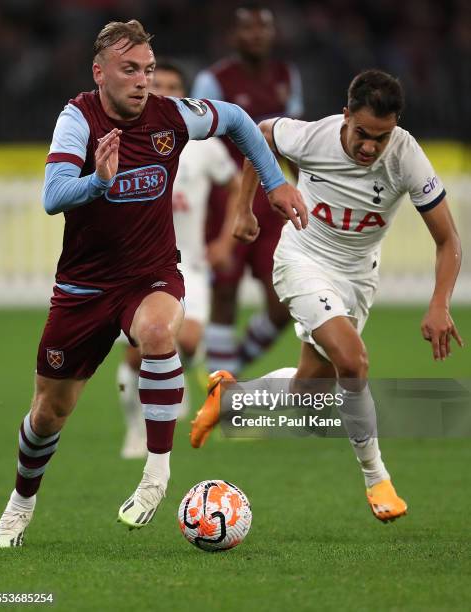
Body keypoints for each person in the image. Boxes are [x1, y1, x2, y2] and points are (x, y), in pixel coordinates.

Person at [0, 19, 306, 547]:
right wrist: (99, 181)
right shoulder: (77, 119)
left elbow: (238, 119)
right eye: (130, 70)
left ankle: (156, 476)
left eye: (150, 70)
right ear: (100, 73)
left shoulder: (172, 116)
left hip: (151, 275)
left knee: (162, 333)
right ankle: (21, 503)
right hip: (84, 286)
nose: (143, 81)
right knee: (48, 415)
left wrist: (274, 182)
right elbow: (52, 196)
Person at [190, 69, 463, 523]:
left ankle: (231, 399)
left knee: (308, 392)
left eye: (382, 135)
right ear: (345, 116)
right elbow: (260, 135)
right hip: (303, 258)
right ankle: (377, 479)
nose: (370, 146)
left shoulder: (407, 155)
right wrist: (244, 211)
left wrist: (439, 304)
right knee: (353, 363)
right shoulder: (312, 137)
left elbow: (448, 239)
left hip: (357, 278)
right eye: (362, 133)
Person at [117, 61, 241, 459]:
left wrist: (225, 239)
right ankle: (135, 429)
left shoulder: (204, 144)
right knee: (137, 354)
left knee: (185, 339)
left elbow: (237, 185)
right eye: (159, 85)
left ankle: (177, 378)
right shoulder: (125, 139)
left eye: (174, 86)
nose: (166, 92)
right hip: (137, 265)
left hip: (189, 264)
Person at [191, 3, 304, 376]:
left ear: (273, 33)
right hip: (227, 198)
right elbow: (197, 143)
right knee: (224, 293)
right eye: (248, 29)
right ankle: (223, 400)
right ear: (234, 35)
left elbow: (296, 142)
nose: (256, 35)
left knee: (283, 302)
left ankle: (229, 368)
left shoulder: (287, 75)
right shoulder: (214, 81)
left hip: (274, 201)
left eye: (263, 28)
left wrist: (304, 189)